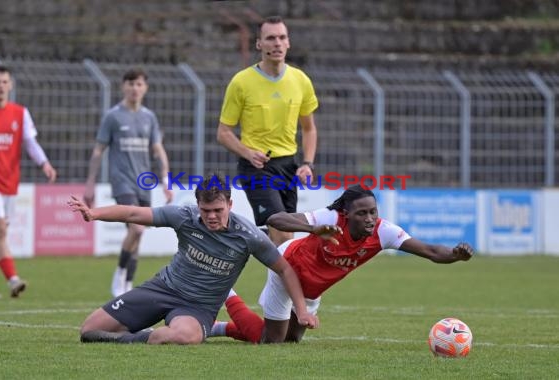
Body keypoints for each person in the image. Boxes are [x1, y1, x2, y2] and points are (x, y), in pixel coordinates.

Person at [68, 174, 319, 345]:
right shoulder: (184, 216)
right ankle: (148, 335)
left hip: (198, 308)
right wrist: (94, 213)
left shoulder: (249, 236)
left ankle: (143, 337)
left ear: (230, 204)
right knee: (89, 330)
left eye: (218, 210)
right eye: (205, 210)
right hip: (162, 288)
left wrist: (302, 310)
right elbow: (134, 212)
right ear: (197, 205)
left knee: (181, 337)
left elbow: (285, 269)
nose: (211, 216)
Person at [210, 185, 474, 343]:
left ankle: (221, 326)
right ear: (347, 214)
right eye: (362, 213)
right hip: (288, 267)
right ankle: (227, 296)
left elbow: (429, 250)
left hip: (313, 288)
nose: (370, 218)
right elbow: (277, 219)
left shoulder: (383, 232)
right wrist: (313, 229)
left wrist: (455, 254)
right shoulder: (331, 218)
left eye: (373, 212)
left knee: (292, 340)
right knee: (271, 341)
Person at [216, 15, 319, 247]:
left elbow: (309, 129)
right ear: (259, 44)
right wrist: (247, 152)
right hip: (256, 167)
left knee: (284, 241)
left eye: (282, 37)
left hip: (288, 167)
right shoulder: (242, 82)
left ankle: (244, 243)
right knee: (282, 231)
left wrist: (308, 163)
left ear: (288, 42)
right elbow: (223, 132)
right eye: (270, 38)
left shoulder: (300, 80)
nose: (277, 43)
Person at [83, 68, 173, 297]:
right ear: (123, 86)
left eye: (139, 84)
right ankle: (120, 273)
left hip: (144, 182)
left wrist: (165, 179)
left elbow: (158, 149)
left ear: (145, 88)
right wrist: (90, 182)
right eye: (131, 83)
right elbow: (98, 150)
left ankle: (127, 284)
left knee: (138, 236)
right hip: (122, 182)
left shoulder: (149, 117)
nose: (135, 88)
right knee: (137, 228)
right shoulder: (113, 116)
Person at [0, 65, 57, 299]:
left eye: (4, 82)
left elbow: (30, 143)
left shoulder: (20, 113)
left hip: (9, 182)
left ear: (11, 85)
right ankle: (13, 279)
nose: (0, 86)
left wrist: (45, 163)